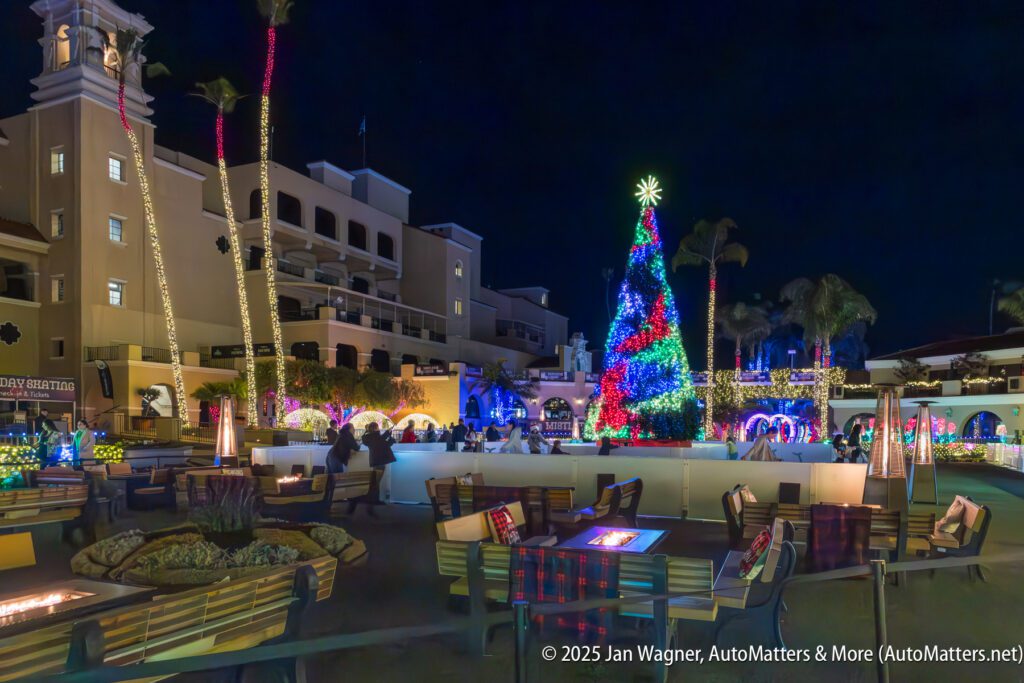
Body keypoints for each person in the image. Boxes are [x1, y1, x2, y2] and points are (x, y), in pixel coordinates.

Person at [360, 422, 396, 515]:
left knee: (376, 481)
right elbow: (384, 443)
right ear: (375, 428)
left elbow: (380, 440)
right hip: (380, 461)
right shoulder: (376, 437)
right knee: (376, 481)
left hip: (375, 461)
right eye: (377, 427)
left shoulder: (368, 437)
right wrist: (390, 438)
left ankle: (374, 499)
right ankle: (372, 501)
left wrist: (387, 433)